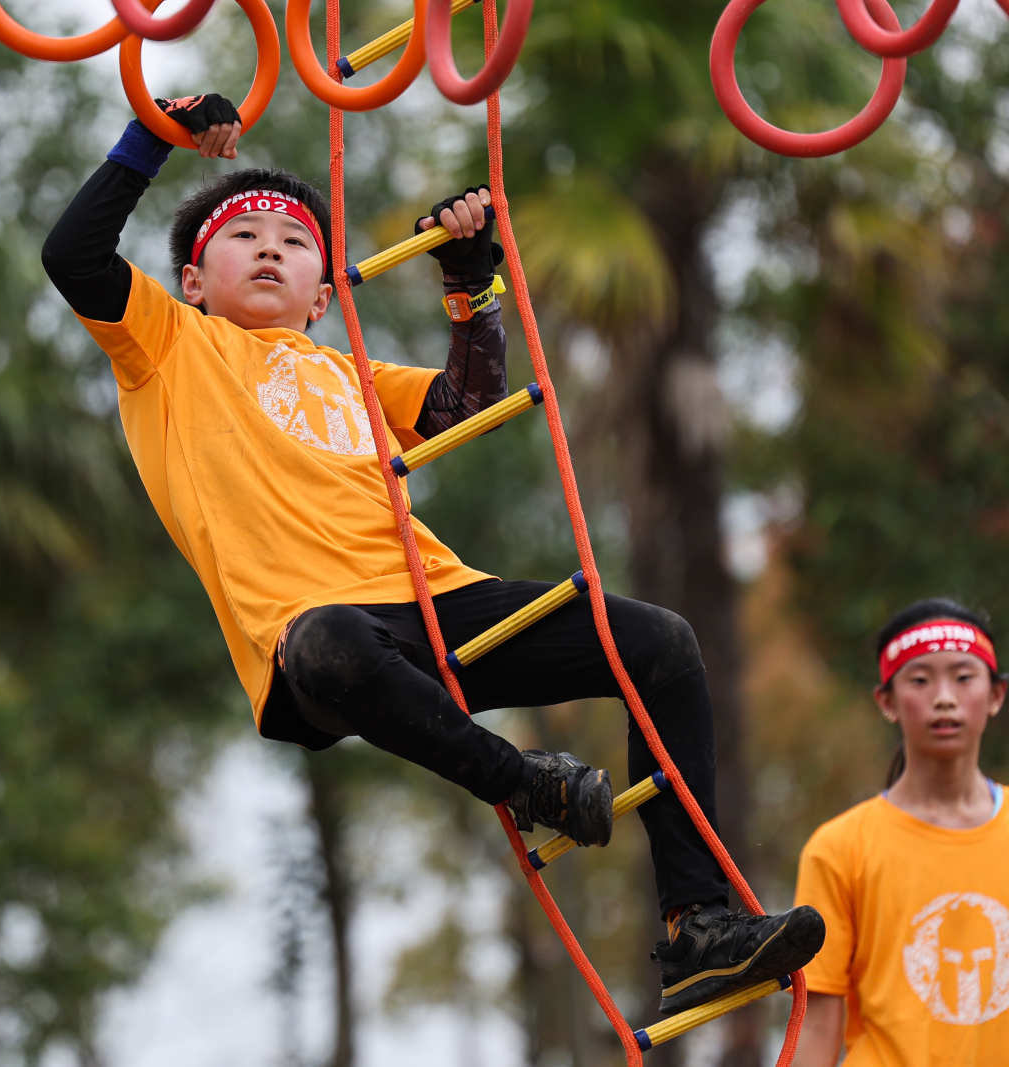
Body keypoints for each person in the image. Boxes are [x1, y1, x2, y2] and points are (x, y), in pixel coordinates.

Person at [41, 93, 823, 1013]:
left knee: (660, 641)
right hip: (320, 640)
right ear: (193, 281)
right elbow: (72, 256)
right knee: (331, 638)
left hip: (438, 600)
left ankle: (697, 925)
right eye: (241, 235)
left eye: (293, 244)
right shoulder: (169, 345)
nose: (267, 249)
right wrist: (152, 139)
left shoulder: (352, 371)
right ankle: (523, 781)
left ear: (325, 295)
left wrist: (468, 276)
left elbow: (469, 401)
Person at [794, 598, 1009, 1063]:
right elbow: (816, 1025)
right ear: (887, 702)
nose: (944, 697)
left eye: (963, 676)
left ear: (996, 695)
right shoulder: (838, 849)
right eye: (920, 679)